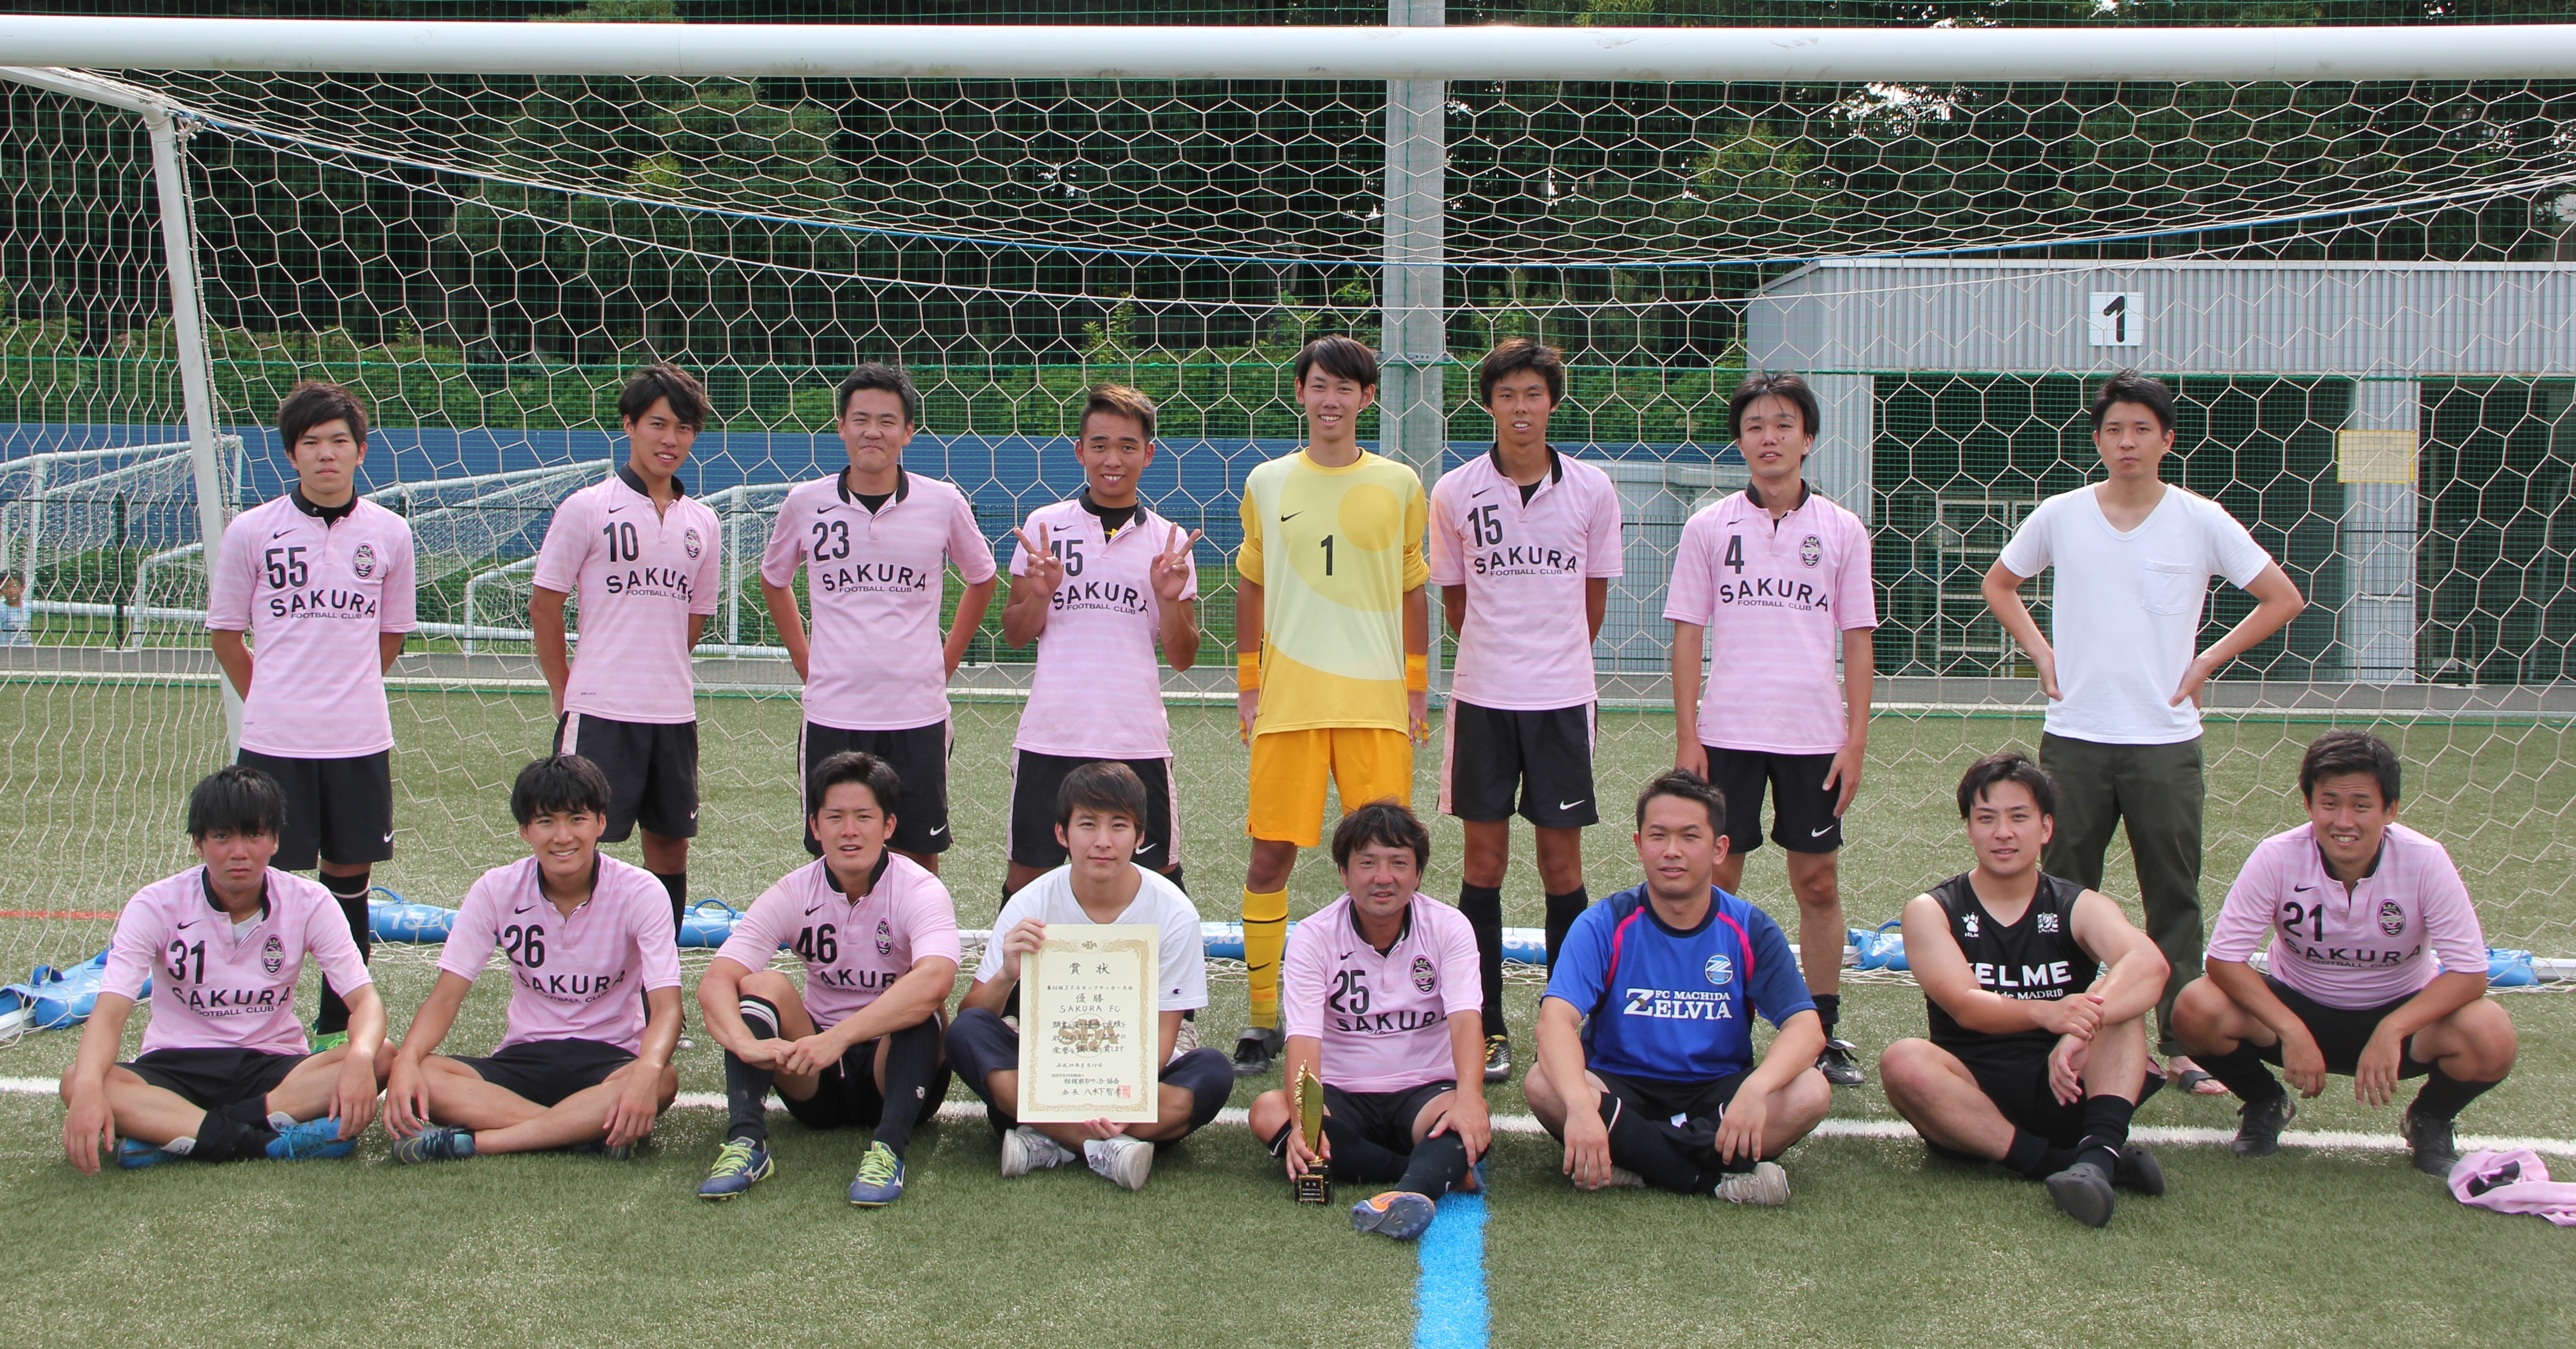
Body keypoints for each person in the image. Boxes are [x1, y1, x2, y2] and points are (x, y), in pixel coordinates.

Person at [1983, 370, 2308, 1092]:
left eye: (2139, 429)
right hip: (2073, 737)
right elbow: (1998, 582)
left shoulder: (2199, 520)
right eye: (2112, 429)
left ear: (2165, 438)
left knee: (2172, 893)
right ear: (2096, 439)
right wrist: (2039, 650)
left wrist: (2206, 661)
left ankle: (2183, 1040)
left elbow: (2279, 597)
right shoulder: (2061, 515)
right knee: (2061, 893)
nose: (2125, 442)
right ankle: (2059, 1027)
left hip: (2164, 740)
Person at [2176, 730, 2517, 1175]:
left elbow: (2470, 974)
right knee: (2194, 1006)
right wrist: (2291, 1029)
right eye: (2329, 802)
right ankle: (2265, 1102)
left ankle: (2429, 1119)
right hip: (2296, 1009)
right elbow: (2224, 959)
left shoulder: (2425, 859)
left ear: (2389, 810)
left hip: (2400, 1015)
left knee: (2490, 1031)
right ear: (2308, 805)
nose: (2343, 820)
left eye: (2361, 805)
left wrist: (2393, 1029)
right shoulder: (2277, 856)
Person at [1664, 371, 1876, 1087]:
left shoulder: (1842, 530)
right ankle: (1713, 1020)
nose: (1769, 437)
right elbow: (1688, 633)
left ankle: (1819, 1026)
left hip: (1813, 737)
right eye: (1755, 425)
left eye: (1783, 424)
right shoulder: (1708, 526)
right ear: (1739, 441)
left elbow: (1857, 639)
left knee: (1815, 880)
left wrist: (1854, 740)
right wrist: (1687, 734)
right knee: (1716, 875)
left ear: (1807, 439)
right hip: (1726, 733)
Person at [1232, 336, 1432, 1077]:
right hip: (1288, 702)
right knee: (1269, 856)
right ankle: (1260, 1017)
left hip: (1377, 704)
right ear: (1300, 391)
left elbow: (1414, 588)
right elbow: (1250, 584)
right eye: (1319, 384)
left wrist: (1415, 685)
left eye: (1345, 389)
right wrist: (1247, 682)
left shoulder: (1401, 484)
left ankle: (1386, 1007)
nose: (1331, 400)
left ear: (1366, 400)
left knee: (1385, 863)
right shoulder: (1266, 481)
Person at [1428, 338, 1624, 1084]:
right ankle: (1488, 1029)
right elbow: (1455, 601)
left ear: (1552, 403)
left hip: (1561, 701)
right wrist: (1505, 651)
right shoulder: (1454, 492)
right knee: (1482, 862)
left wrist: (1548, 658)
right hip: (1482, 698)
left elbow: (1592, 600)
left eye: (1532, 395)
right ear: (1488, 403)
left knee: (1559, 863)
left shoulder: (1592, 490)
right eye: (1506, 395)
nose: (1520, 408)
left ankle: (1562, 1022)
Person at [206, 381, 417, 1050]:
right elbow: (225, 633)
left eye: (339, 441)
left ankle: (336, 1029)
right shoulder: (252, 530)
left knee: (348, 881)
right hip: (274, 741)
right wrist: (271, 694)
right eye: (310, 443)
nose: (326, 455)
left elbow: (391, 635)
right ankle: (252, 1020)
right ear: (291, 455)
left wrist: (343, 687)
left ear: (360, 451)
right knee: (259, 882)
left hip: (357, 740)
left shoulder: (391, 533)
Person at [1876, 751, 2170, 1227]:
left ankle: (2093, 1156)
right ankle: (2073, 1164)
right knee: (1903, 1061)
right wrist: (2048, 1013)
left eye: (2019, 817)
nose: (2003, 832)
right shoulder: (1932, 909)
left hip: (2067, 1083)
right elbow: (1965, 1005)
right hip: (1970, 1098)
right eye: (1986, 818)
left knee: (2120, 1004)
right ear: (1969, 829)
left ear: (2046, 827)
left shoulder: (2079, 904)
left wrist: (2077, 1029)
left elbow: (2149, 964)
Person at [1524, 770, 1831, 1206]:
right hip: (1620, 1088)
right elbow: (1554, 1022)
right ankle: (1708, 1179)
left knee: (1811, 1091)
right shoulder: (1603, 922)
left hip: (1715, 1094)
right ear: (1638, 844)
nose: (1672, 851)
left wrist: (1757, 1089)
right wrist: (1577, 1103)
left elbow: (1806, 1028)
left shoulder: (1749, 927)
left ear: (1719, 848)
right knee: (1543, 1084)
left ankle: (1634, 1157)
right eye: (1658, 836)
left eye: (1689, 836)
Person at [59, 765, 385, 1171]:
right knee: (78, 1079)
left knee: (380, 1057)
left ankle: (179, 1137)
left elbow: (365, 1002)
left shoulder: (310, 901)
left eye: (254, 835)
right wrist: (89, 1089)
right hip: (176, 1065)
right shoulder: (154, 905)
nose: (239, 852)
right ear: (198, 843)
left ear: (275, 840)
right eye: (222, 836)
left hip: (272, 1064)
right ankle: (264, 1142)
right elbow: (109, 1014)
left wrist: (359, 1056)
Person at [377, 755, 681, 1162]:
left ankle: (478, 1143)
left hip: (609, 1059)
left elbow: (667, 1007)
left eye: (577, 819)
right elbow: (446, 997)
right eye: (545, 822)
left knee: (661, 1078)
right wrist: (408, 1062)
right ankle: (581, 1132)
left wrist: (645, 1072)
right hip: (524, 1056)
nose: (562, 836)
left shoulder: (641, 891)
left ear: (601, 823)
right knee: (426, 1074)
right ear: (524, 830)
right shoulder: (495, 888)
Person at [948, 761, 1236, 1191]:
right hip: (1049, 1068)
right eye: (1087, 824)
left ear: (1139, 837)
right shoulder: (1031, 902)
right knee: (965, 1032)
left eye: (1118, 825)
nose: (1103, 841)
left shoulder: (1173, 912)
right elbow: (973, 1012)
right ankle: (1105, 1148)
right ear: (1062, 833)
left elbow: (1164, 1033)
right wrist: (1008, 973)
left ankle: (1050, 1138)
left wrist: (1128, 1095)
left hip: (1129, 1079)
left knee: (1212, 1071)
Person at [693, 751, 961, 1205]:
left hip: (891, 1073)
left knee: (919, 1001)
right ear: (815, 827)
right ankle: (746, 1142)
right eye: (834, 817)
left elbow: (936, 978)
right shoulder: (794, 890)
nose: (849, 830)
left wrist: (838, 1038)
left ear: (889, 826)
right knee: (763, 985)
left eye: (863, 817)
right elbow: (717, 979)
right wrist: (745, 1043)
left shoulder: (919, 888)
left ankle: (889, 1150)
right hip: (816, 1077)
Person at [762, 362, 998, 874]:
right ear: (841, 425)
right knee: (838, 854)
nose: (874, 431)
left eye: (888, 420)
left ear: (909, 431)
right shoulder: (805, 503)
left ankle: (920, 955)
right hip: (833, 711)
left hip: (917, 712)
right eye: (861, 418)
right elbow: (773, 579)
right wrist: (806, 660)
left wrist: (945, 660)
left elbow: (982, 577)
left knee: (918, 854)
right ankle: (841, 956)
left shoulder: (943, 501)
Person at [531, 363, 723, 928]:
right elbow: (545, 604)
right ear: (629, 425)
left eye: (684, 428)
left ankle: (652, 981)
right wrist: (566, 690)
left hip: (672, 714)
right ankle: (577, 970)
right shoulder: (587, 507)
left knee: (670, 848)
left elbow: (695, 616)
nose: (670, 440)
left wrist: (657, 664)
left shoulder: (702, 522)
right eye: (658, 424)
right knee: (577, 843)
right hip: (600, 711)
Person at [1245, 801, 1491, 1242]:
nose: (1384, 877)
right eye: (1367, 863)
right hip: (1343, 1094)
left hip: (1424, 1092)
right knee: (1268, 1111)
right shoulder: (1314, 936)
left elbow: (1465, 1019)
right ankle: (1427, 1172)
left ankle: (1407, 1191)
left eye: (1399, 863)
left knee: (1466, 1114)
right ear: (1343, 872)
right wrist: (1304, 1120)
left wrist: (1470, 1096)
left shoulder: (1449, 927)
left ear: (1417, 874)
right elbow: (1303, 1036)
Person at [998, 384, 1200, 905]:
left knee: (1157, 879)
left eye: (1128, 446)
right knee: (1028, 878)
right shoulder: (1044, 526)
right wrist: (1040, 595)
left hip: (1136, 739)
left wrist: (1169, 598)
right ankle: (1014, 991)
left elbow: (1182, 655)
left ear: (1149, 454)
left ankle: (1164, 990)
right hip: (1052, 735)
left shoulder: (1169, 542)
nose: (1113, 459)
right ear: (1080, 450)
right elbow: (1016, 632)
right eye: (1101, 444)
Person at [0, 571, 30, 645]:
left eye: (14, 586)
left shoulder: (28, 607)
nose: (11, 591)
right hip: (6, 650)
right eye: (6, 587)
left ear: (23, 588)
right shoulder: (1, 609)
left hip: (27, 651)